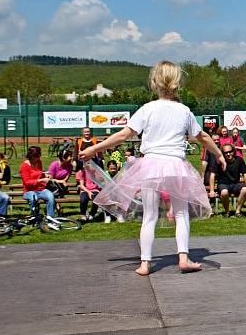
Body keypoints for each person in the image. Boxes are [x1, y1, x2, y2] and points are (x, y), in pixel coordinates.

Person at [79, 61, 224, 276]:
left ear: (154, 83)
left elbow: (123, 135)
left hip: (151, 165)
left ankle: (145, 263)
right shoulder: (184, 111)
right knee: (182, 213)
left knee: (149, 215)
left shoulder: (148, 109)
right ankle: (183, 258)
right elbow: (201, 136)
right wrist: (219, 153)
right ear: (177, 84)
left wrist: (94, 149)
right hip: (176, 165)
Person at [209, 144, 246, 217]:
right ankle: (227, 212)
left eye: (230, 151)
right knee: (224, 192)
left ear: (234, 151)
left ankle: (238, 211)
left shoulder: (239, 160)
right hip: (223, 184)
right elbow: (212, 175)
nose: (228, 154)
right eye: (225, 152)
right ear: (223, 153)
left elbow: (245, 174)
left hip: (236, 184)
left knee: (245, 189)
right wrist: (212, 191)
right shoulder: (219, 161)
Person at [19, 146, 56, 217]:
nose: (38, 158)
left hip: (41, 189)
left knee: (51, 196)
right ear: (31, 156)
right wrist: (40, 180)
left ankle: (50, 218)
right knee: (34, 198)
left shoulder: (39, 162)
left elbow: (39, 173)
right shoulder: (24, 166)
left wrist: (45, 175)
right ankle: (35, 217)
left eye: (39, 156)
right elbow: (27, 182)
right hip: (29, 190)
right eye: (37, 157)